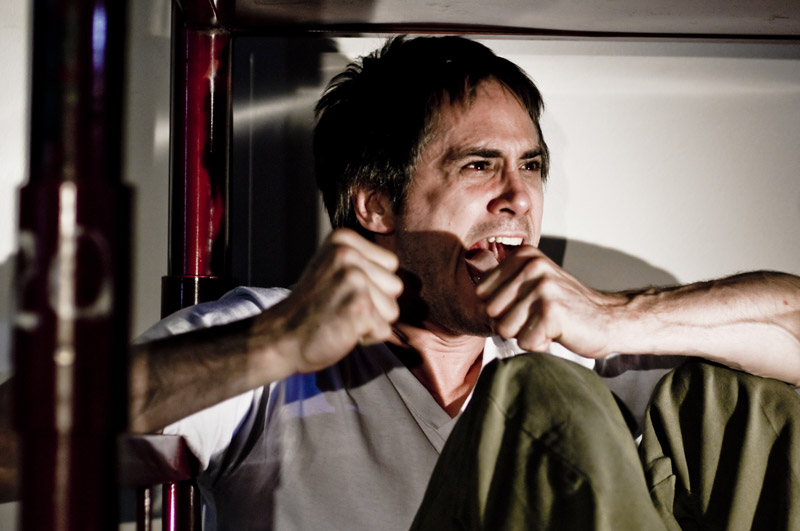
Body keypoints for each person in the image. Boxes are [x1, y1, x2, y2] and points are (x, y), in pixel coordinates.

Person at [126, 36, 800, 530]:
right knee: (537, 391)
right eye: (479, 165)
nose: (519, 197)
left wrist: (617, 317)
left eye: (530, 166)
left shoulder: (568, 337)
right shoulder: (271, 341)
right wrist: (278, 342)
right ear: (377, 205)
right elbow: (58, 434)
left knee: (726, 396)